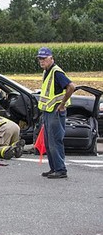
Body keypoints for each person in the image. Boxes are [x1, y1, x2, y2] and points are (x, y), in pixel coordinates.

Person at [37, 47, 75, 179]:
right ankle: (54, 168)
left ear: (51, 58)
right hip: (48, 111)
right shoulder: (46, 72)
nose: (41, 61)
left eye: (44, 58)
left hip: (55, 112)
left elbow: (71, 86)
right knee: (48, 142)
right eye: (40, 59)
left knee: (54, 142)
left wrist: (62, 104)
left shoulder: (56, 72)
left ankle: (60, 169)